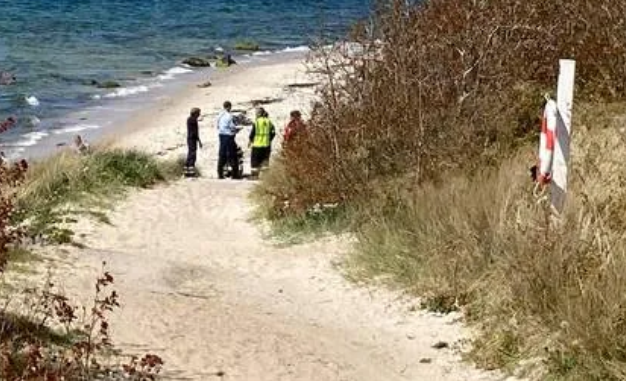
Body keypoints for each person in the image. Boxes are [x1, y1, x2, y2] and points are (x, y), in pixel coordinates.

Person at [216, 101, 241, 179]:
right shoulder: (229, 116)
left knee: (222, 154)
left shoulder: (219, 115)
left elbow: (217, 126)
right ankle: (235, 174)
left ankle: (220, 174)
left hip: (221, 135)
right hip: (229, 136)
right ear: (229, 107)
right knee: (232, 155)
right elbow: (232, 126)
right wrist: (237, 129)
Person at [248, 107, 276, 178]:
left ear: (259, 113)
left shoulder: (256, 122)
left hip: (257, 145)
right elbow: (273, 132)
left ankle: (254, 176)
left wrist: (250, 141)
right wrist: (269, 139)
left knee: (255, 161)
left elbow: (252, 133)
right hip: (266, 145)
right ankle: (265, 177)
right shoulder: (269, 121)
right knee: (265, 161)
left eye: (256, 113)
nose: (256, 114)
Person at [185, 107, 203, 176]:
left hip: (190, 138)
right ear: (195, 113)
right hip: (192, 139)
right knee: (192, 154)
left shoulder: (189, 119)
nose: (199, 114)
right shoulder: (193, 120)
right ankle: (191, 171)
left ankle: (187, 170)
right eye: (198, 113)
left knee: (190, 153)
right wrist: (199, 141)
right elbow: (195, 132)